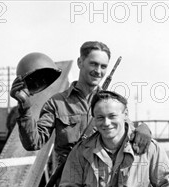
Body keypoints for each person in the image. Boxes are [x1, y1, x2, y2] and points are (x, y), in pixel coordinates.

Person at [10, 41, 151, 167]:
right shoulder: (57, 103)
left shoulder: (113, 104)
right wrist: (24, 107)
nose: (98, 71)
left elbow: (130, 131)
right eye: (93, 64)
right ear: (80, 62)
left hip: (103, 185)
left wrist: (144, 128)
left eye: (103, 67)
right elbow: (34, 143)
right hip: (69, 184)